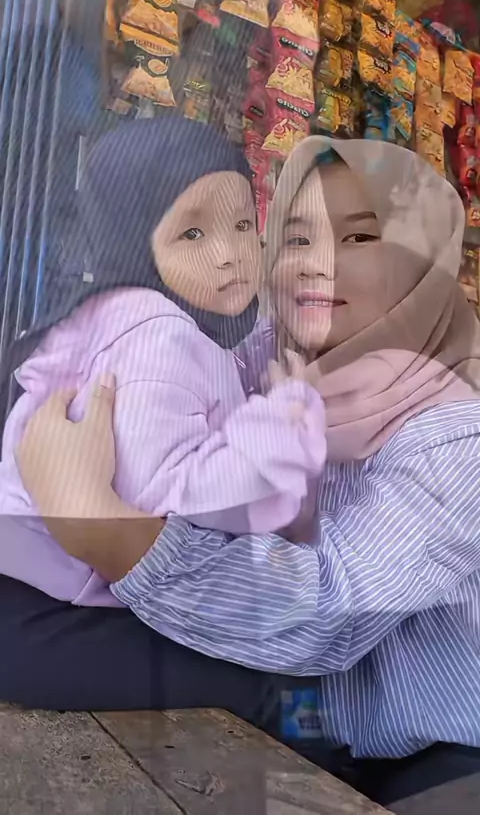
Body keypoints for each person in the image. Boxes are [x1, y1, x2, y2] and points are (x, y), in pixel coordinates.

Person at [13, 136, 480, 811]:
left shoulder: (455, 437)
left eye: (359, 239)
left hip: (427, 758)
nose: (316, 264)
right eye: (295, 238)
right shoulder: (272, 354)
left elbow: (328, 612)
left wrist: (105, 529)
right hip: (288, 707)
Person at [0, 114, 326, 608]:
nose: (231, 254)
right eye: (192, 234)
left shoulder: (136, 318)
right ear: (133, 244)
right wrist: (281, 430)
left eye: (242, 224)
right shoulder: (158, 338)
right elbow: (173, 501)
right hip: (82, 597)